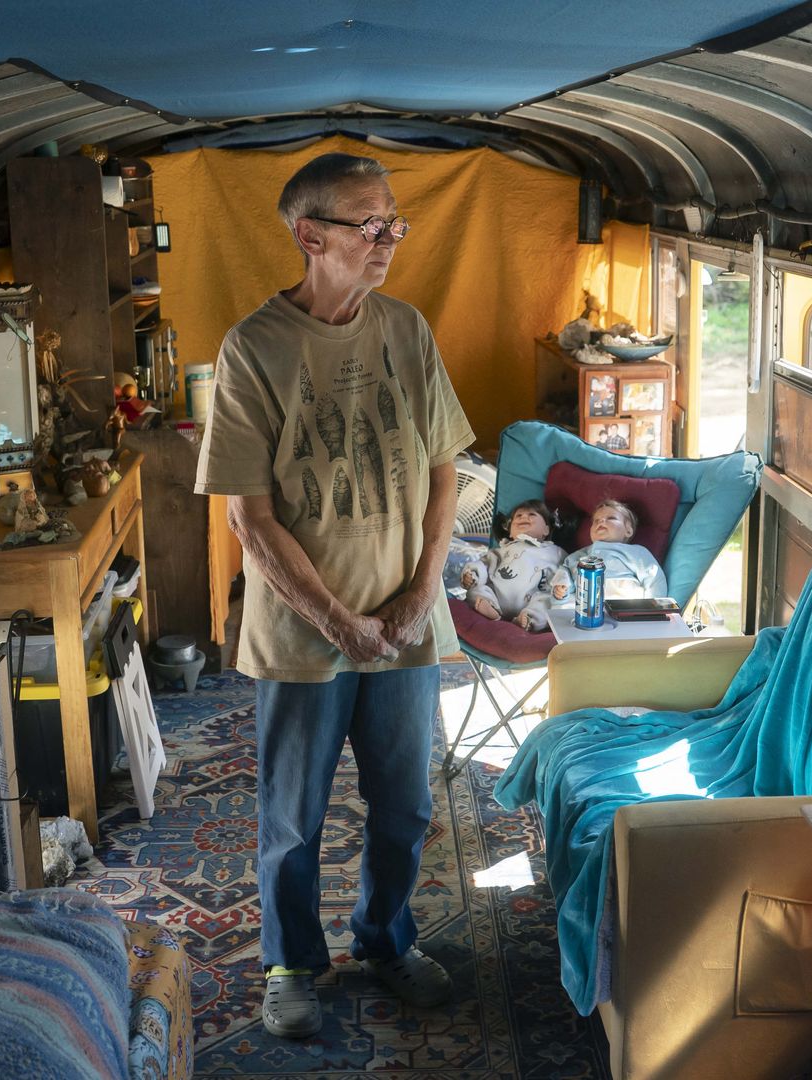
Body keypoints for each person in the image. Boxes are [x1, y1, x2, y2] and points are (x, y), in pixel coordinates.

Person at [194, 153, 473, 1040]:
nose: (388, 237)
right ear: (310, 235)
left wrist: (422, 594)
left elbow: (443, 476)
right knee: (293, 816)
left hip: (403, 625)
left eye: (394, 220)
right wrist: (335, 622)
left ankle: (387, 941)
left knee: (407, 805)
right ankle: (289, 964)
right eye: (368, 222)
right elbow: (251, 518)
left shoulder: (406, 329)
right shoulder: (254, 349)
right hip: (305, 634)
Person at [461, 500, 565, 631]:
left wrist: (563, 586)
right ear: (510, 532)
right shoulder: (502, 550)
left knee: (547, 602)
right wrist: (473, 574)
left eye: (532, 515)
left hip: (532, 599)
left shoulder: (555, 551)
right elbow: (484, 564)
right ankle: (489, 608)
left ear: (546, 529)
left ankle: (530, 619)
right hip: (497, 596)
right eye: (518, 516)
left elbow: (566, 569)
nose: (524, 517)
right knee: (477, 589)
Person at [549, 499, 668, 610]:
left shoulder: (636, 552)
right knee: (562, 610)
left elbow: (654, 577)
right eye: (596, 520)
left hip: (623, 606)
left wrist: (653, 609)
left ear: (628, 531)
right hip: (584, 607)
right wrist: (560, 588)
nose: (601, 521)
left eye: (611, 518)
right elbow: (564, 571)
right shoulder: (578, 555)